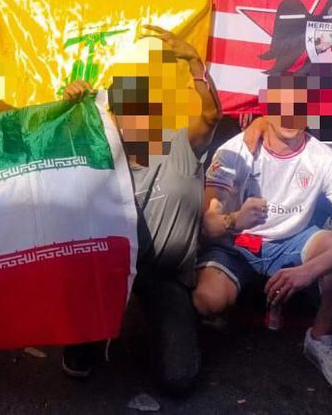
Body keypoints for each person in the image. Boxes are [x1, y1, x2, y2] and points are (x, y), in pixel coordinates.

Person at [60, 25, 221, 395]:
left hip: (164, 276)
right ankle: (87, 333)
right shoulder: (98, 154)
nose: (136, 118)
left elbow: (212, 114)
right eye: (125, 109)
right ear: (112, 115)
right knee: (79, 355)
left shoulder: (183, 144)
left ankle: (162, 320)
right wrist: (75, 108)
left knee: (178, 379)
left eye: (144, 108)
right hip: (108, 270)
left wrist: (195, 64)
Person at [193, 73, 332, 394]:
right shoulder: (236, 149)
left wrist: (308, 272)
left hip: (292, 243)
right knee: (209, 301)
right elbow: (209, 225)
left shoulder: (324, 158)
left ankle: (319, 337)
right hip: (237, 243)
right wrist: (235, 218)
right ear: (267, 105)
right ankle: (225, 311)